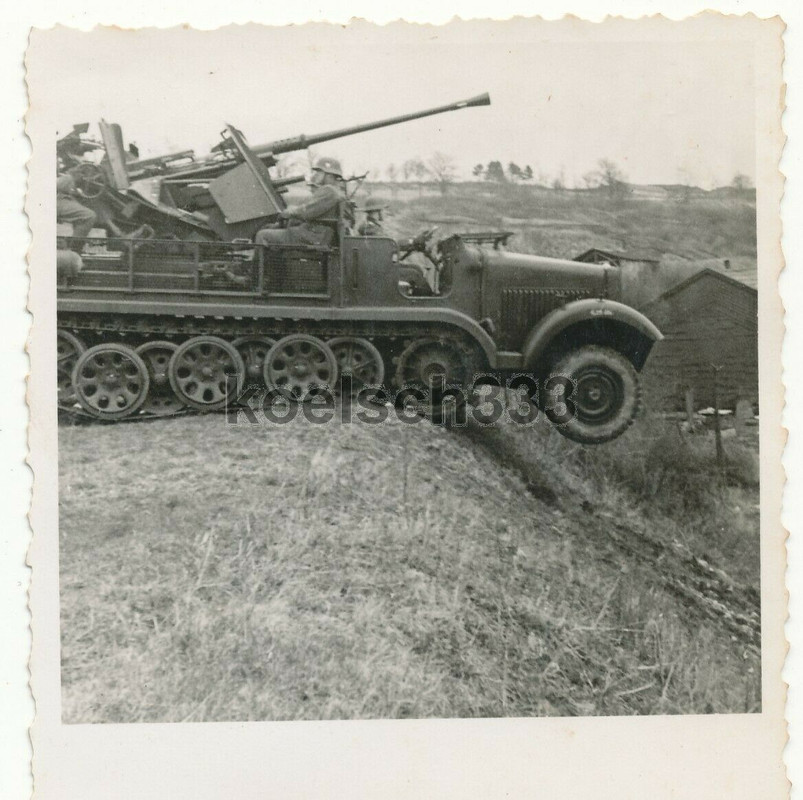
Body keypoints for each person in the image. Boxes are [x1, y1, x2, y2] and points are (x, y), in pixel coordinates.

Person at [255, 156, 349, 247]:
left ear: (329, 175)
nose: (316, 175)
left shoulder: (328, 190)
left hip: (312, 236)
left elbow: (307, 212)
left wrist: (290, 211)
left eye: (319, 172)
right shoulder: (336, 192)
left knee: (263, 235)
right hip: (318, 235)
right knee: (272, 228)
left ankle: (259, 258)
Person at [57, 171, 97, 240]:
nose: (83, 176)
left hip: (61, 199)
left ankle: (75, 242)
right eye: (81, 174)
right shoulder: (67, 177)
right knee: (89, 216)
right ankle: (76, 245)